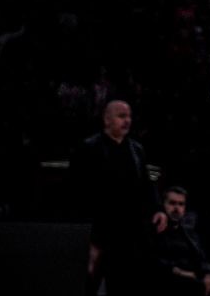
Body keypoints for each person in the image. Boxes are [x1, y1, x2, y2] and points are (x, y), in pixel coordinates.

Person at [70, 98, 165, 296]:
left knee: (124, 284)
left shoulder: (137, 149)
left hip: (130, 233)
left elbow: (146, 185)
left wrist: (157, 209)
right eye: (122, 116)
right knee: (88, 283)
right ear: (107, 119)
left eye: (129, 116)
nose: (127, 121)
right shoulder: (89, 148)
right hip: (100, 230)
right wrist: (86, 235)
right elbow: (78, 192)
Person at [152, 186, 210, 296]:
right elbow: (156, 262)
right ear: (163, 205)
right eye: (172, 203)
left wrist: (208, 274)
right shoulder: (157, 231)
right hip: (174, 279)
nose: (177, 208)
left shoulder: (189, 233)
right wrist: (183, 273)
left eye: (181, 204)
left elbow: (203, 258)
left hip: (196, 275)